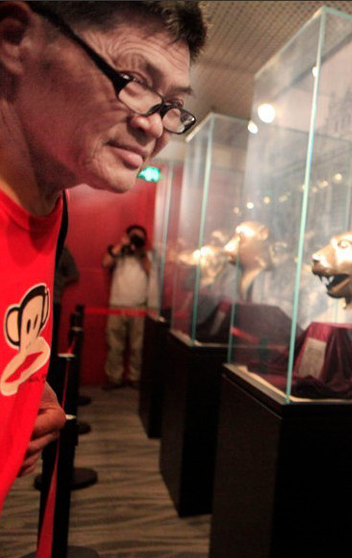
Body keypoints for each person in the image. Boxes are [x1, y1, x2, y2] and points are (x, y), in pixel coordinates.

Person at [0, 1, 206, 516]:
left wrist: (25, 389)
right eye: (134, 78)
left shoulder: (53, 206)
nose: (153, 126)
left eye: (172, 106)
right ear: (14, 39)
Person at [102, 225, 151, 390]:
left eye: (139, 238)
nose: (135, 240)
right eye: (133, 237)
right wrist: (122, 245)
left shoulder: (146, 256)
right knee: (114, 345)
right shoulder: (119, 254)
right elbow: (105, 262)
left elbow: (152, 272)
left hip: (138, 306)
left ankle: (135, 378)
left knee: (138, 346)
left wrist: (141, 252)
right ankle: (114, 378)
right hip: (117, 305)